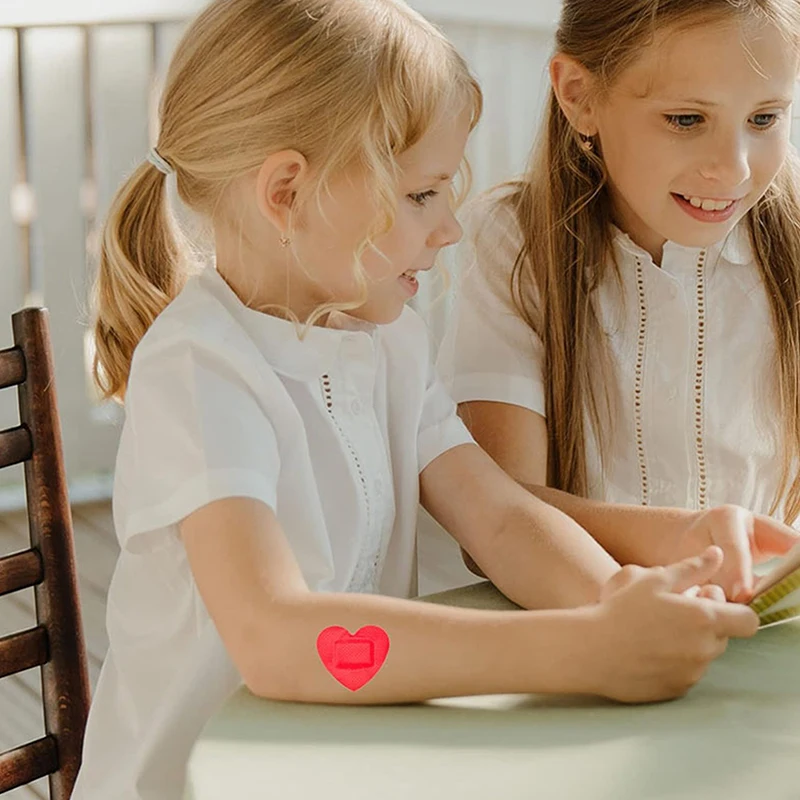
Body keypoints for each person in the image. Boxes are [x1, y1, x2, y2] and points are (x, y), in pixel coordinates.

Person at [72, 1, 759, 797]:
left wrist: (622, 603)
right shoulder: (201, 369)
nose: (450, 230)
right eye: (423, 194)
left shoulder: (383, 339)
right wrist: (580, 649)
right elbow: (277, 637)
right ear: (288, 192)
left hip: (336, 771)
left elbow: (498, 517)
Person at [438, 0, 800, 602]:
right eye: (686, 119)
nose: (733, 169)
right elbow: (492, 514)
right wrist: (688, 542)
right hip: (576, 628)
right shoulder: (517, 242)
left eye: (764, 119)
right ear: (579, 95)